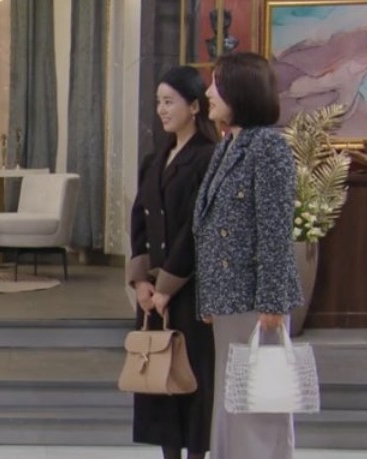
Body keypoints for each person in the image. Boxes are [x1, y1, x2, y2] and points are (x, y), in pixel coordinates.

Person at [194, 52, 302, 459]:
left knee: (259, 404)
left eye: (217, 84)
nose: (208, 93)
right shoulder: (228, 145)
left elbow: (274, 230)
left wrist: (272, 301)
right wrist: (209, 297)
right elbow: (209, 226)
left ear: (240, 91)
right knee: (232, 401)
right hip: (229, 299)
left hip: (257, 303)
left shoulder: (268, 148)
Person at [128, 65, 219, 459]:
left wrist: (166, 287)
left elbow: (195, 228)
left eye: (169, 102)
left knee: (191, 378)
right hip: (152, 290)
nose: (162, 110)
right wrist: (141, 282)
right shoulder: (155, 159)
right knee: (158, 379)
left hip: (188, 289)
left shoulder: (208, 158)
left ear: (194, 106)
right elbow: (139, 219)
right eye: (158, 102)